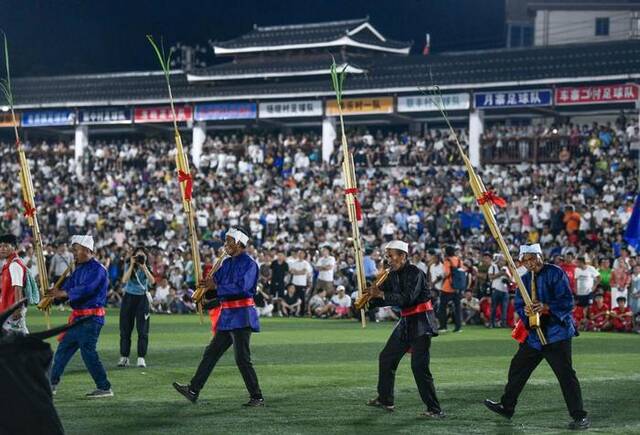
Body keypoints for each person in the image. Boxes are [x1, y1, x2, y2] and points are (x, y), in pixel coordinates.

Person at [484, 243, 589, 430]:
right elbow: (518, 304)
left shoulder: (555, 273)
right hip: (534, 334)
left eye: (533, 258)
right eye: (526, 260)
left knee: (565, 375)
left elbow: (567, 300)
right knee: (518, 367)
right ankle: (507, 406)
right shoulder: (523, 280)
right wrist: (526, 311)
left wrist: (547, 307)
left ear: (540, 256)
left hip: (557, 333)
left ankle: (579, 416)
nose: (530, 263)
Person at [173, 227, 264, 406]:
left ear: (239, 243)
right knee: (211, 353)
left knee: (242, 358)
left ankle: (257, 396)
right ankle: (193, 390)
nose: (225, 245)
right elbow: (216, 287)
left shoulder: (249, 264)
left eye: (229, 241)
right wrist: (204, 292)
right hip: (228, 316)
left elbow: (242, 288)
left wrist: (214, 287)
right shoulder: (226, 263)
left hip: (242, 316)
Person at [362, 240, 444, 418]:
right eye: (387, 256)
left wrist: (380, 293)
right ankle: (385, 399)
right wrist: (367, 300)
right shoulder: (390, 274)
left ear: (403, 256)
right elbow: (385, 298)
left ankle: (434, 409)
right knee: (386, 358)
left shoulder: (416, 273)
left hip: (422, 322)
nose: (388, 259)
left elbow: (407, 298)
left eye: (391, 255)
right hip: (406, 321)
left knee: (419, 367)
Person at [49, 235, 113, 398]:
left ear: (86, 250)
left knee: (88, 353)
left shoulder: (99, 269)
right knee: (63, 350)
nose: (74, 254)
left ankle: (104, 387)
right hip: (79, 318)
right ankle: (51, 384)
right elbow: (68, 287)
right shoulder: (79, 269)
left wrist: (62, 292)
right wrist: (52, 294)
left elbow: (87, 289)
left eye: (75, 250)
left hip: (90, 319)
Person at [118, 246, 155, 368]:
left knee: (143, 330)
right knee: (125, 329)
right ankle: (124, 356)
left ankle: (141, 357)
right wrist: (132, 264)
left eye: (142, 256)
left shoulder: (147, 267)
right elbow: (124, 279)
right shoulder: (129, 265)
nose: (139, 258)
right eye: (137, 256)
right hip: (129, 297)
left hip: (142, 299)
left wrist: (144, 267)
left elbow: (152, 281)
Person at [0, 234, 28, 333]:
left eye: (6, 246)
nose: (2, 249)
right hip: (8, 308)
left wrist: (17, 309)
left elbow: (18, 287)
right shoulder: (8, 264)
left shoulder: (14, 265)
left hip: (12, 309)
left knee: (20, 339)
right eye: (0, 246)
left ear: (14, 247)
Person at [438, 246, 462, 332]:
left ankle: (443, 326)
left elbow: (446, 273)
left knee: (442, 307)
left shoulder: (447, 261)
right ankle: (458, 327)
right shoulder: (459, 260)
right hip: (457, 287)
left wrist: (440, 277)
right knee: (457, 307)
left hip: (447, 287)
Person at [573, 257, 600, 329]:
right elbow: (575, 280)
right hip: (579, 292)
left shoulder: (591, 268)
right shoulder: (577, 270)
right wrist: (575, 288)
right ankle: (581, 323)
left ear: (582, 262)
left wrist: (594, 286)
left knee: (588, 307)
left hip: (588, 292)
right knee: (580, 308)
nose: (576, 264)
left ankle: (588, 324)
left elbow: (599, 277)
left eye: (577, 262)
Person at [488, 255, 511, 328]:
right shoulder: (493, 267)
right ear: (498, 260)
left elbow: (511, 280)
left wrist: (507, 275)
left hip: (505, 290)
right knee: (493, 307)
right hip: (496, 289)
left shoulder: (506, 268)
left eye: (504, 261)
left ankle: (503, 324)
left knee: (504, 308)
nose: (503, 262)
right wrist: (500, 273)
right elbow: (490, 277)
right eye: (501, 260)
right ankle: (491, 323)